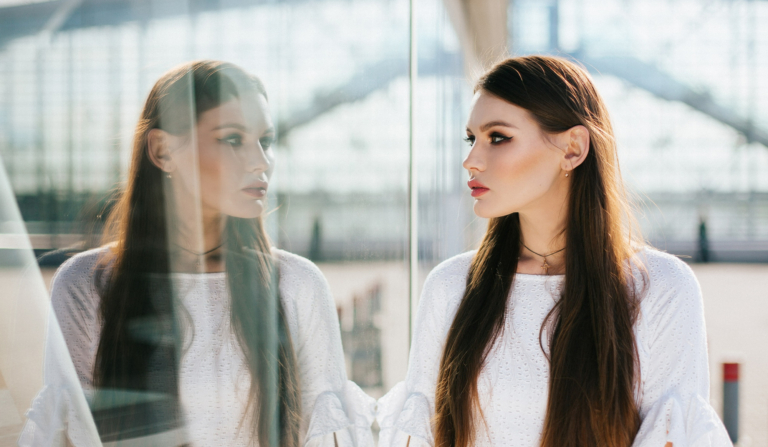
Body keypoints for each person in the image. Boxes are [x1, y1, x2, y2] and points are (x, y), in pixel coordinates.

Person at [376, 56, 731, 447]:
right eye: (471, 139)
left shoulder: (660, 287)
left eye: (498, 137)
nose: (471, 160)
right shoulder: (451, 285)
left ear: (572, 149)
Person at [20, 60, 374, 447]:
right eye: (233, 139)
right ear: (162, 151)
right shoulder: (88, 284)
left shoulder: (296, 284)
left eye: (266, 141)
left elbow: (327, 435)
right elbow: (71, 436)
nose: (261, 161)